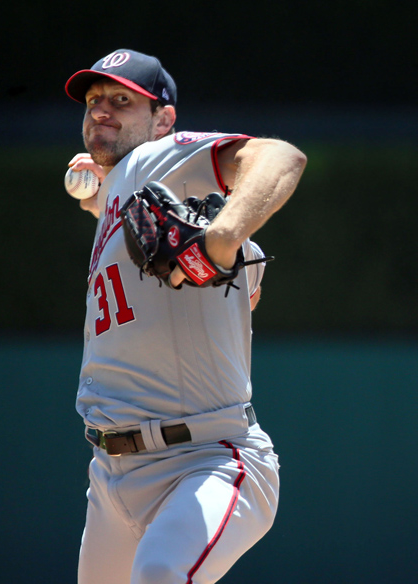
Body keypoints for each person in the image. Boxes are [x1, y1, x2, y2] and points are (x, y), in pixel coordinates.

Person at [63, 49, 306, 584]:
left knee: (163, 574)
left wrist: (224, 236)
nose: (101, 109)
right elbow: (240, 281)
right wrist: (102, 198)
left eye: (122, 100)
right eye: (94, 99)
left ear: (163, 119)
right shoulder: (123, 192)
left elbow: (280, 156)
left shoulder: (155, 159)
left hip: (203, 459)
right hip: (110, 475)